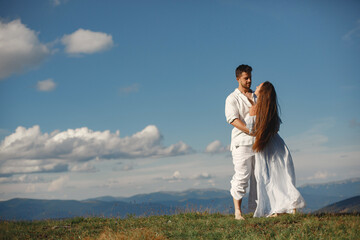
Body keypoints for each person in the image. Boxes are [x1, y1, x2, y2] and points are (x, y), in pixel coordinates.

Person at [246, 81, 305, 217]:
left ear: (262, 92)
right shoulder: (270, 109)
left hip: (265, 147)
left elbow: (251, 130)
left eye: (258, 86)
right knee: (281, 177)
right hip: (277, 144)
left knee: (266, 177)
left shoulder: (255, 109)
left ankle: (275, 208)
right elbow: (276, 127)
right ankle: (288, 206)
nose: (255, 87)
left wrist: (251, 110)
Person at [225, 64, 257, 220]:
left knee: (259, 176)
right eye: (246, 78)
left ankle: (258, 209)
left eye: (250, 77)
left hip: (259, 142)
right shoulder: (232, 98)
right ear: (238, 78)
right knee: (242, 175)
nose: (249, 80)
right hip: (241, 143)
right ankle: (237, 211)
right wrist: (250, 130)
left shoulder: (257, 96)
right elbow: (233, 119)